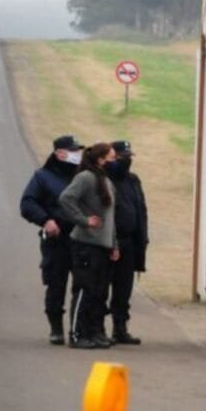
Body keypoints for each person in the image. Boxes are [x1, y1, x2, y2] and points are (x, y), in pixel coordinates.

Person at [20, 135, 84, 345]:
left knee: (84, 284)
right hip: (56, 239)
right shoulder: (42, 177)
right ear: (59, 153)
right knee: (56, 283)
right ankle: (56, 328)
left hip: (81, 239)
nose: (77, 154)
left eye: (78, 151)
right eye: (73, 151)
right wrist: (45, 220)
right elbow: (28, 203)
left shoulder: (82, 176)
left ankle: (80, 328)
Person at [59, 142, 120, 349]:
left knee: (98, 293)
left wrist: (114, 244)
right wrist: (84, 220)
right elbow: (66, 198)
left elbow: (110, 217)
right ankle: (76, 334)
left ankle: (93, 332)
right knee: (84, 290)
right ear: (100, 159)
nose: (116, 162)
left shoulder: (106, 180)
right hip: (86, 244)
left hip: (103, 245)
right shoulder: (85, 177)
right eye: (112, 158)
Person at [106, 140, 148, 345]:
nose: (127, 160)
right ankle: (96, 328)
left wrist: (143, 238)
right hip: (108, 242)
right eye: (123, 157)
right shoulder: (103, 178)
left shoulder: (133, 180)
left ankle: (120, 328)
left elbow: (141, 210)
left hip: (130, 242)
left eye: (129, 157)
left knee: (124, 289)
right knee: (101, 287)